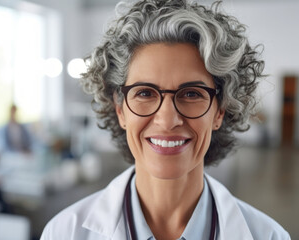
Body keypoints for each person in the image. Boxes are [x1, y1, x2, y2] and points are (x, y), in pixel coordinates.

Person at [41, 0, 290, 239]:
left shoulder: (269, 236)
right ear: (120, 110)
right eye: (145, 93)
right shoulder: (64, 233)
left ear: (220, 111)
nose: (168, 120)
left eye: (192, 93)